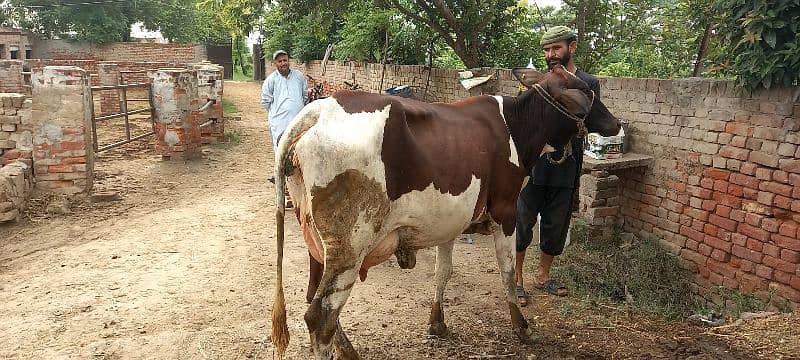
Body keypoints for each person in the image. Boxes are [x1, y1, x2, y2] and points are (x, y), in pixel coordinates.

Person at [514, 26, 601, 306]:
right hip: (535, 164)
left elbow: (590, 118)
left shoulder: (588, 82)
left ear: (572, 47)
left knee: (555, 223)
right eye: (547, 50)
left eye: (556, 49)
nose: (551, 55)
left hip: (567, 163)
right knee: (522, 221)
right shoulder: (537, 81)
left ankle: (543, 276)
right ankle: (516, 280)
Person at [261, 49, 309, 154]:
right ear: (275, 64)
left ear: (289, 61)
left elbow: (305, 96)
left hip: (297, 121)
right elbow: (266, 102)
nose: (283, 63)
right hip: (279, 123)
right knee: (281, 152)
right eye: (280, 61)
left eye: (285, 60)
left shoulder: (298, 76)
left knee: (299, 150)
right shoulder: (271, 80)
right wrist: (277, 113)